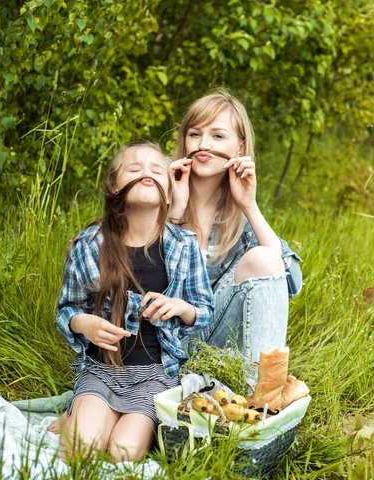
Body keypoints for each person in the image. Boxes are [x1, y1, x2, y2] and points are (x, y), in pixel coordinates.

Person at [55, 142, 213, 462]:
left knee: (123, 453)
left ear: (169, 193)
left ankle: (94, 419)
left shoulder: (184, 246)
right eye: (135, 168)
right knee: (80, 451)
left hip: (155, 375)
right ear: (114, 186)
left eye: (157, 170)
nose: (147, 174)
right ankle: (84, 415)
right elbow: (66, 308)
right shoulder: (89, 244)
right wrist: (82, 322)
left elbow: (204, 309)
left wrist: (181, 308)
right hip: (101, 371)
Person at [169, 89, 303, 373]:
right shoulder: (158, 193)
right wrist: (172, 214)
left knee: (265, 258)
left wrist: (249, 206)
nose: (204, 143)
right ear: (184, 140)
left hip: (213, 341)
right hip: (163, 348)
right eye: (195, 134)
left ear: (239, 149)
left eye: (217, 136)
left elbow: (290, 282)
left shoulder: (237, 218)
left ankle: (263, 392)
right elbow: (136, 274)